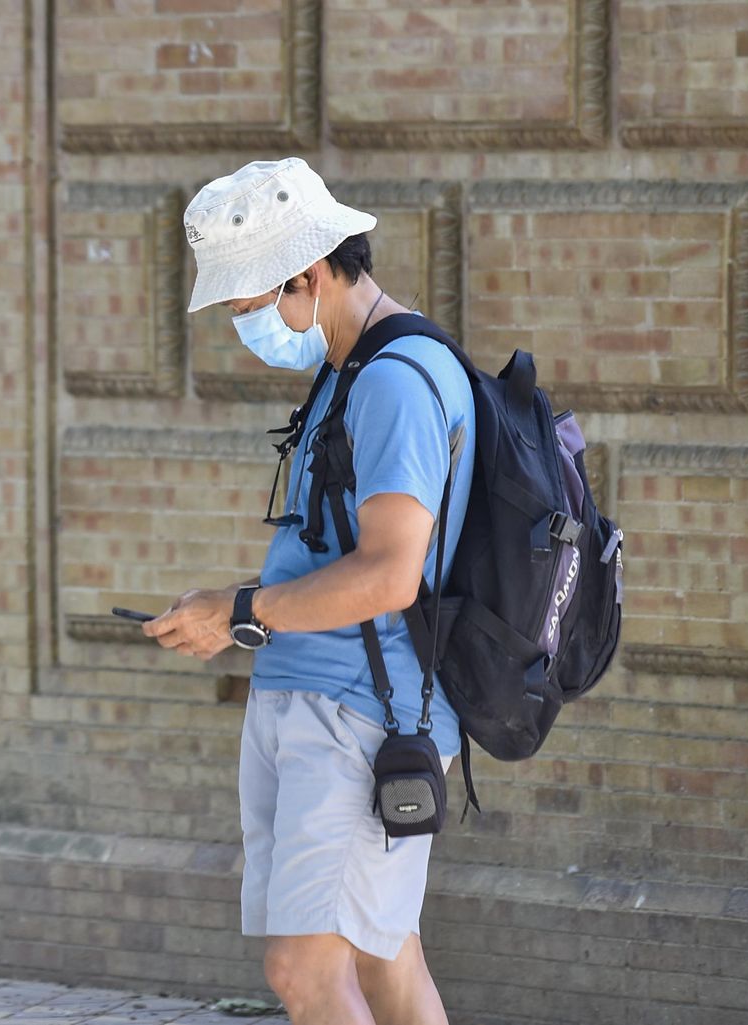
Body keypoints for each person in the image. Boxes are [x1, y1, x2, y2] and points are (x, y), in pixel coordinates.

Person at [143, 157, 474, 1025]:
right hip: (320, 696)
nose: (247, 328)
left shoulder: (395, 381)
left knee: (305, 972)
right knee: (382, 958)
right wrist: (234, 603)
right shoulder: (347, 366)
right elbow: (333, 553)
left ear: (311, 273)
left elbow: (391, 572)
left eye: (252, 309)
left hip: (364, 712)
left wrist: (241, 613)